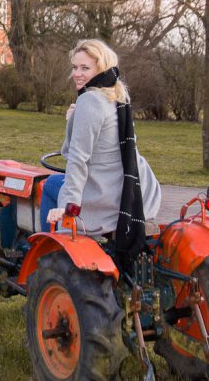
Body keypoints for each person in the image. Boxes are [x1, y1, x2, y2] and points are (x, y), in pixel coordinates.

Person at [39, 39, 161, 254]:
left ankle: (48, 251)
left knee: (50, 185)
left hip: (107, 196)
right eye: (75, 67)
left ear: (101, 68)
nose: (77, 74)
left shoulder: (90, 100)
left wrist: (67, 206)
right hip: (138, 192)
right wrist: (73, 120)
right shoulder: (118, 95)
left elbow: (77, 158)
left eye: (85, 68)